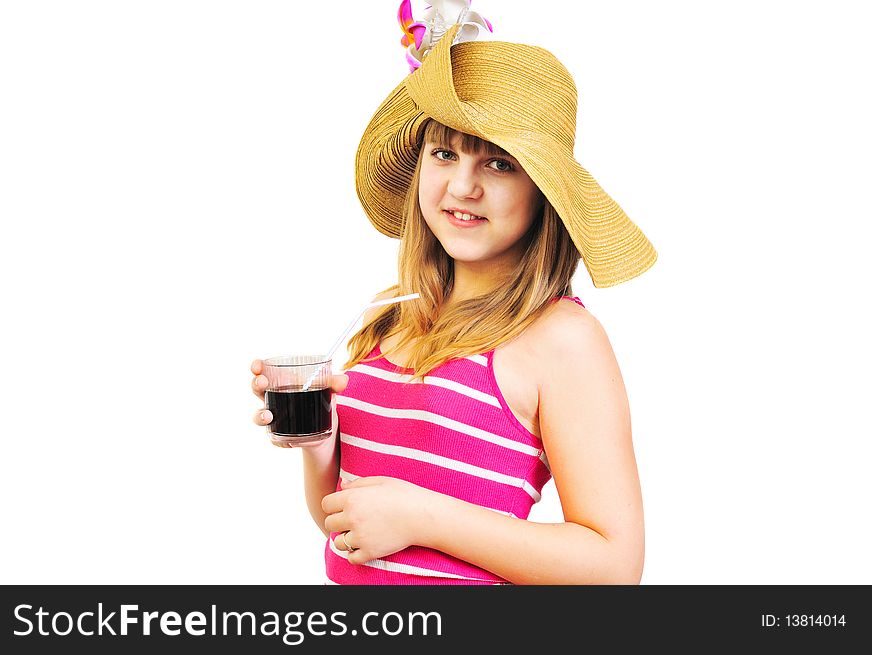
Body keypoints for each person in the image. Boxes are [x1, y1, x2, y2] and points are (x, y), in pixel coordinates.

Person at [251, 1, 656, 584]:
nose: (462, 186)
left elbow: (614, 568)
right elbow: (351, 529)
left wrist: (424, 516)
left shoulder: (562, 339)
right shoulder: (392, 316)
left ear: (543, 190)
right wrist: (319, 444)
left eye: (498, 163)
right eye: (445, 153)